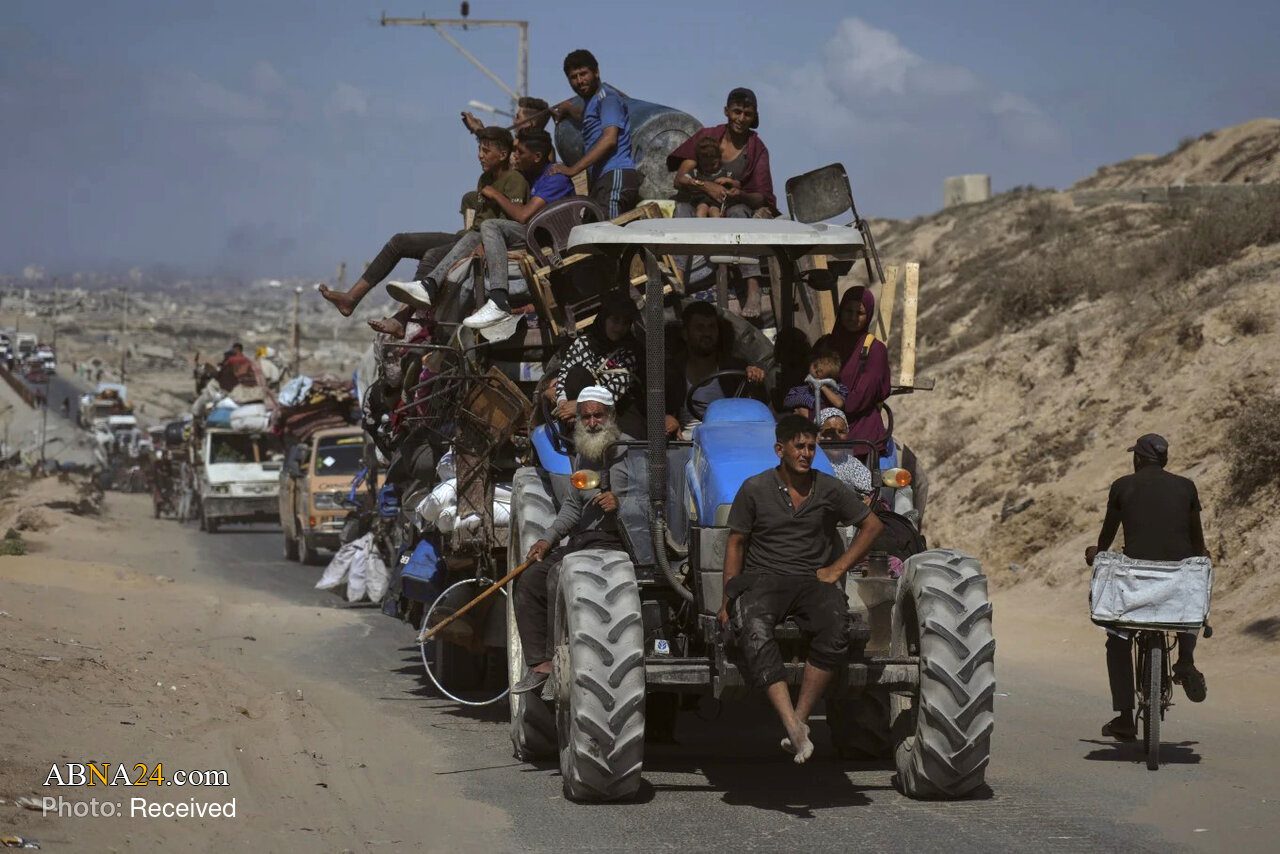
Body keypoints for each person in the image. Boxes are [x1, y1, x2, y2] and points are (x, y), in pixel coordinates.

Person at [722, 414, 883, 763]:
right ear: (780, 450)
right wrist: (726, 599)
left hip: (812, 580)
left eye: (811, 447)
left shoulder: (829, 488)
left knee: (837, 626)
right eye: (799, 447)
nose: (806, 453)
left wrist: (838, 568)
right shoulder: (754, 488)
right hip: (765, 579)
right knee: (754, 628)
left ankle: (800, 721)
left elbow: (872, 525)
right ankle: (790, 723)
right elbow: (736, 543)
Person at [1085, 433, 1209, 740]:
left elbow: (1108, 534)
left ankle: (1125, 718)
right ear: (1165, 459)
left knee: (1117, 640)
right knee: (1192, 598)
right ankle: (1185, 659)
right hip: (1177, 576)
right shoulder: (1186, 486)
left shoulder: (1122, 486)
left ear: (1137, 459)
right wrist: (1201, 556)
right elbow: (1197, 538)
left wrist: (1097, 553)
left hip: (1136, 580)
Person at [513, 387, 632, 694]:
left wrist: (621, 503)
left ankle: (564, 662)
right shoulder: (583, 453)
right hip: (584, 541)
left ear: (611, 415)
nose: (592, 423)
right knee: (530, 579)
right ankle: (541, 665)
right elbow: (572, 506)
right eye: (586, 417)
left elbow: (653, 501)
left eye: (598, 416)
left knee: (558, 577)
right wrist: (546, 539)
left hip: (618, 542)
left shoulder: (633, 451)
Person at [382, 127, 531, 328]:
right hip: (480, 235)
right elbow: (479, 222)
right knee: (465, 239)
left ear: (503, 155)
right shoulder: (484, 179)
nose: (480, 155)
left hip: (502, 237)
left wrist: (486, 240)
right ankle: (428, 285)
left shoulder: (515, 180)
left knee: (472, 237)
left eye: (486, 151)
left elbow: (512, 220)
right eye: (479, 150)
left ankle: (429, 290)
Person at [667, 88, 777, 317]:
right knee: (682, 208)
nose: (741, 118)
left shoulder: (756, 149)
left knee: (739, 214)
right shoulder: (707, 137)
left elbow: (762, 196)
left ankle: (753, 288)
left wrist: (740, 194)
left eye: (747, 114)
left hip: (731, 207)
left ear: (754, 117)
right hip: (698, 204)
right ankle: (678, 279)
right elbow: (680, 179)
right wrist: (706, 186)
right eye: (736, 112)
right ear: (726, 111)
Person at [459, 128, 577, 334]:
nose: (514, 156)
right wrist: (478, 129)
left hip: (552, 240)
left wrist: (495, 194)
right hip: (534, 235)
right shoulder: (532, 174)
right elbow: (499, 148)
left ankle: (498, 300)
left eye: (520, 152)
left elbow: (523, 216)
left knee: (491, 225)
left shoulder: (555, 178)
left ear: (537, 157)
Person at [548, 50, 639, 218]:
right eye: (573, 77)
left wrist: (572, 170)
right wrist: (568, 108)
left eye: (583, 74)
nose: (579, 81)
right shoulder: (593, 102)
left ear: (596, 72)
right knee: (589, 231)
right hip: (600, 181)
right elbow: (588, 118)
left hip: (615, 174)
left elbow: (609, 139)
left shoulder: (608, 98)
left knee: (608, 231)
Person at [663, 301, 766, 437]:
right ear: (685, 334)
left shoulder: (736, 369)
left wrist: (755, 379)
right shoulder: (671, 372)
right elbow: (653, 409)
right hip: (686, 443)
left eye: (711, 327)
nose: (707, 333)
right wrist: (666, 418)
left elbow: (759, 408)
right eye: (700, 327)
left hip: (730, 439)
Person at [552, 292, 643, 436]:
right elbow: (564, 376)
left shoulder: (629, 351)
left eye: (625, 323)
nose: (619, 328)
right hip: (578, 416)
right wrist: (563, 404)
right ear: (604, 318)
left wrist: (580, 406)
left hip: (614, 411)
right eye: (615, 320)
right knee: (577, 374)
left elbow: (615, 389)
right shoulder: (582, 344)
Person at [828, 287, 891, 447]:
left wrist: (825, 398)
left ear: (868, 315)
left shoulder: (875, 350)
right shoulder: (825, 345)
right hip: (824, 435)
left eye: (859, 313)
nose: (853, 318)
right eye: (848, 311)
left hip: (861, 439)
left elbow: (859, 398)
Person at [674, 137, 733, 218]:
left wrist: (729, 181)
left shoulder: (724, 172)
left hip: (716, 203)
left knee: (715, 213)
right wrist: (690, 181)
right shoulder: (697, 172)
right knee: (701, 211)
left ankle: (718, 225)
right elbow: (681, 179)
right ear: (699, 162)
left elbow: (738, 185)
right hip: (701, 201)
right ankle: (700, 225)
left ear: (719, 158)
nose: (709, 168)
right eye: (705, 165)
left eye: (713, 164)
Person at [783, 346, 847, 419]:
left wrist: (823, 387)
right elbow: (787, 402)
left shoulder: (838, 389)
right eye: (815, 367)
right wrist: (810, 401)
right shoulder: (800, 390)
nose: (817, 371)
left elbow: (839, 403)